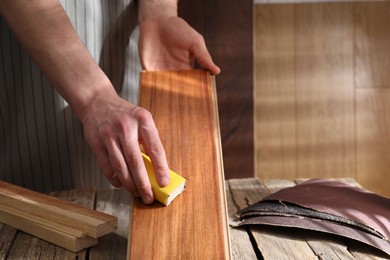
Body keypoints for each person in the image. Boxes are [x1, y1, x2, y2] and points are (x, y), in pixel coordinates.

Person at [0, 0, 220, 204]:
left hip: (124, 25)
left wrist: (159, 12)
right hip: (32, 37)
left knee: (130, 149)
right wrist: (93, 94)